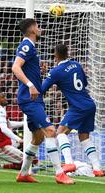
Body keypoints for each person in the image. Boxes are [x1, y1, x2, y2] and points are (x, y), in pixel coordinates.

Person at [12, 19, 74, 184]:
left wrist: (39, 72)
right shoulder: (26, 45)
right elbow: (15, 67)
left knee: (38, 138)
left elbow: (24, 68)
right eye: (37, 26)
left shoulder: (32, 47)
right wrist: (31, 85)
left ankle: (23, 174)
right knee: (50, 131)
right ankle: (60, 173)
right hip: (29, 99)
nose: (40, 29)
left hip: (34, 99)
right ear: (32, 29)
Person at [42, 44, 104, 177]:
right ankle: (97, 168)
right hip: (89, 104)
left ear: (55, 55)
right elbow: (84, 83)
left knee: (60, 132)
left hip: (77, 106)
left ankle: (69, 162)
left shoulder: (55, 71)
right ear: (67, 53)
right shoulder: (77, 64)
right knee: (84, 136)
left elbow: (42, 90)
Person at [0, 90, 24, 169]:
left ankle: (1, 166)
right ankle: (37, 165)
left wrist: (24, 123)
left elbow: (9, 124)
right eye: (3, 97)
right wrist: (18, 139)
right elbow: (4, 129)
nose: (5, 98)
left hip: (3, 142)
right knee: (27, 160)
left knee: (27, 155)